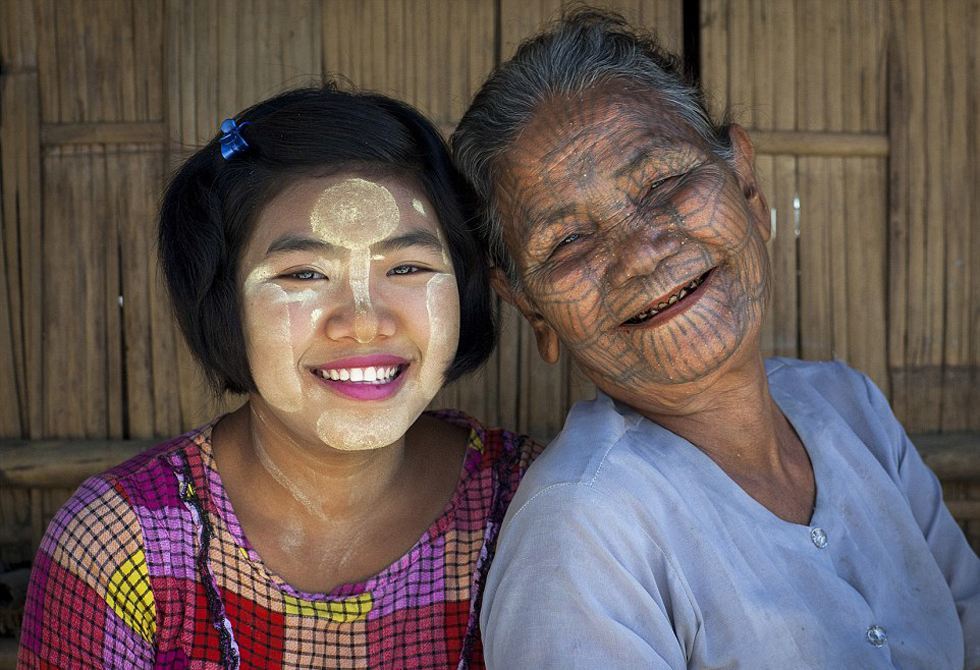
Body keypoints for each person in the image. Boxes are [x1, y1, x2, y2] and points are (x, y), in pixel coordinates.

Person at [452, 9, 979, 669]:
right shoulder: (582, 532)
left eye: (664, 183)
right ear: (531, 309)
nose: (640, 253)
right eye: (568, 241)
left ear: (747, 185)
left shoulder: (850, 408)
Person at [18, 83, 539, 669]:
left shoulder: (537, 512)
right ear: (224, 305)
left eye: (408, 266)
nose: (364, 324)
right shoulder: (122, 545)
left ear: (466, 291)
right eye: (305, 275)